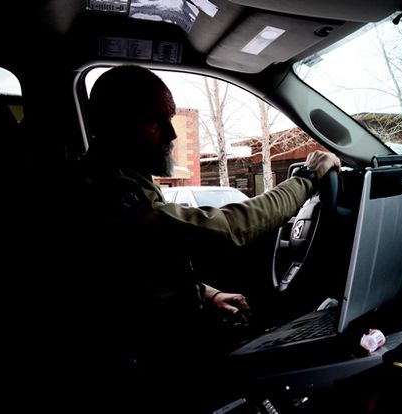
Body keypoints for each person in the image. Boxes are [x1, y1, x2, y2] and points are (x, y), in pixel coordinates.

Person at [76, 64, 341, 406]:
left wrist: (205, 294)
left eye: (170, 119)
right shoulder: (109, 193)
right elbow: (226, 229)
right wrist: (306, 179)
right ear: (115, 128)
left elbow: (142, 269)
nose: (172, 135)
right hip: (139, 361)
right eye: (155, 122)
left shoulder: (123, 181)